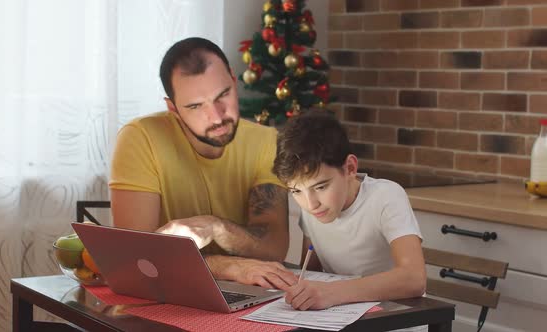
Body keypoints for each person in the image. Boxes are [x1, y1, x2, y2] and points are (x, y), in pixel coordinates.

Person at [108, 37, 296, 289]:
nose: (217, 116)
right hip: (166, 289)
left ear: (232, 78)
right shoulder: (141, 137)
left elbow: (273, 249)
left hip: (245, 292)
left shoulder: (266, 141)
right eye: (196, 106)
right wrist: (225, 266)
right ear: (173, 108)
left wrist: (216, 228)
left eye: (223, 94)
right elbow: (137, 255)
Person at [272, 112, 427, 311]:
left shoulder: (386, 196)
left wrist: (331, 293)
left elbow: (413, 278)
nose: (310, 205)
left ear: (350, 168)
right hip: (342, 319)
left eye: (321, 187)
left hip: (394, 321)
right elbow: (311, 271)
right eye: (296, 191)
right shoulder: (315, 208)